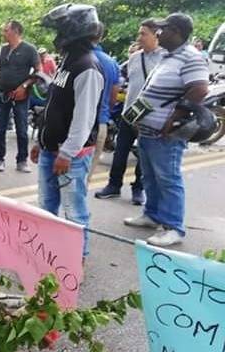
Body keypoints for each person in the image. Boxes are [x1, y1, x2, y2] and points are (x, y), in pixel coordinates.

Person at [123, 13, 210, 247]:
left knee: (168, 178)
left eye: (164, 29)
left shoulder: (190, 57)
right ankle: (152, 214)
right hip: (148, 129)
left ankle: (174, 227)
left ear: (177, 32)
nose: (159, 33)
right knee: (150, 175)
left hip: (167, 133)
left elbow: (200, 89)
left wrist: (175, 117)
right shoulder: (168, 56)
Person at [30, 4, 104, 258]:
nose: (56, 36)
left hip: (70, 154)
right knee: (46, 206)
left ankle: (76, 260)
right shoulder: (68, 63)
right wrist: (41, 141)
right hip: (52, 149)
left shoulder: (87, 68)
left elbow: (84, 119)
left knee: (74, 211)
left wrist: (67, 153)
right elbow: (54, 106)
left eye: (60, 29)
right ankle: (47, 252)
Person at [96, 19, 165, 205]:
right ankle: (113, 185)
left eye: (143, 34)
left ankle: (138, 189)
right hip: (129, 113)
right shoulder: (134, 58)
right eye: (139, 33)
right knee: (120, 150)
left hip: (150, 116)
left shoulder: (164, 58)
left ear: (156, 35)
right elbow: (121, 78)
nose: (139, 37)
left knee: (143, 155)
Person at [0, 20, 41, 173]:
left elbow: (38, 72)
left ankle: (22, 160)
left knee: (21, 129)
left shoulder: (30, 49)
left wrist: (24, 86)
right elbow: (0, 71)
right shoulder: (4, 50)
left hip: (21, 96)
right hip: (2, 93)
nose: (4, 33)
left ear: (15, 31)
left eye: (6, 30)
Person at [88, 23, 121, 183]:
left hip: (70, 126)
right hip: (99, 123)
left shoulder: (75, 58)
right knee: (82, 180)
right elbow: (113, 97)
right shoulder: (110, 63)